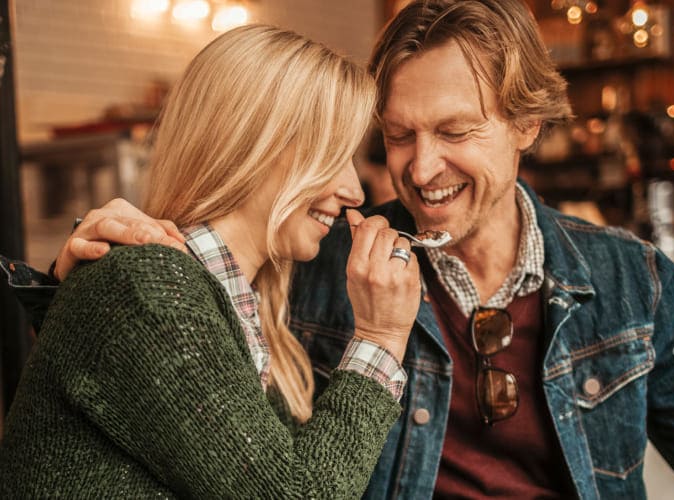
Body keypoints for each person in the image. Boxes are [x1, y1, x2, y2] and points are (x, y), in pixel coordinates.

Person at [3, 1, 674, 498]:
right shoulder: (314, 259)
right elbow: (156, 358)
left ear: (529, 125)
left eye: (454, 131)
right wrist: (71, 284)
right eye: (397, 137)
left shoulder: (635, 280)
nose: (421, 171)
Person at [0, 24, 423, 498]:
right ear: (255, 144)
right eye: (333, 155)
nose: (355, 192)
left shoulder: (238, 310)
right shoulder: (149, 287)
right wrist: (382, 338)